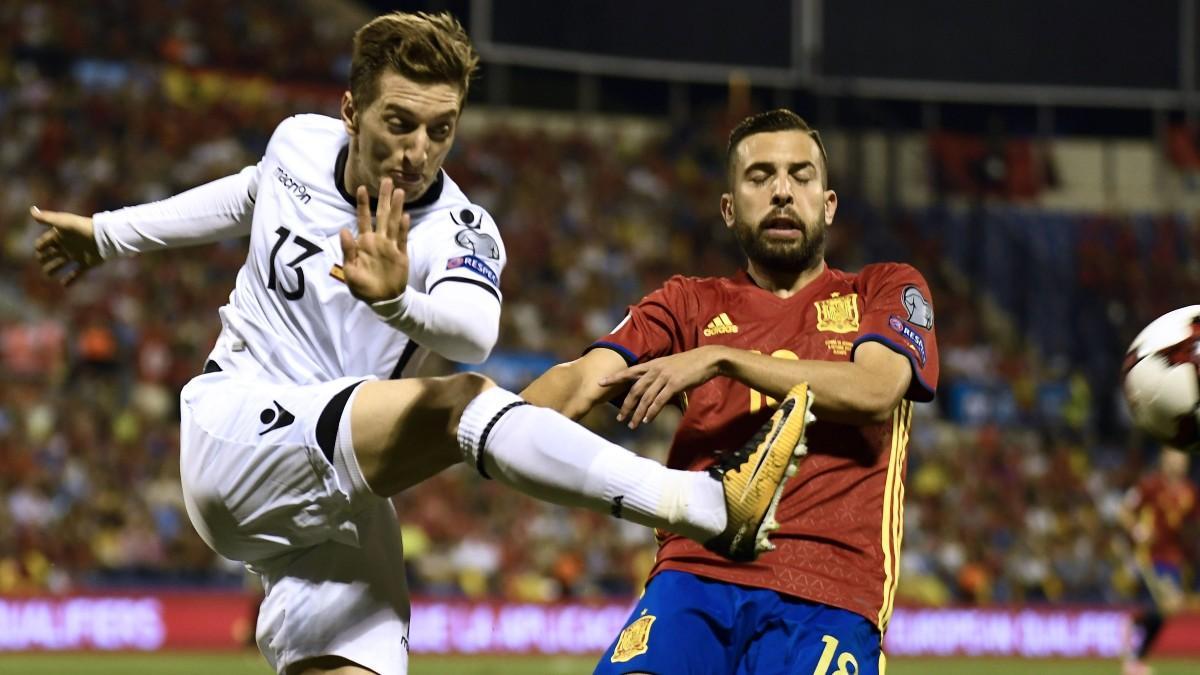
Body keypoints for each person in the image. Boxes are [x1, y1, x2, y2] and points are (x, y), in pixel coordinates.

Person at [30, 13, 809, 675]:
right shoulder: (296, 144)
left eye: (442, 129)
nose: (419, 149)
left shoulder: (460, 229)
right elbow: (246, 191)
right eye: (398, 123)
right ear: (350, 110)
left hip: (340, 499)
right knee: (463, 406)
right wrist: (106, 234)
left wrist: (399, 299)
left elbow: (475, 330)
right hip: (236, 429)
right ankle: (703, 503)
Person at [521, 109, 940, 675]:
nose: (783, 193)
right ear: (729, 208)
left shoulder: (885, 289)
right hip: (693, 578)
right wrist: (483, 423)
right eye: (760, 177)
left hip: (829, 593)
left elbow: (874, 390)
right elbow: (578, 380)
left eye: (801, 176)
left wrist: (721, 359)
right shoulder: (686, 304)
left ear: (829, 203)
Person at [1119, 447, 1197, 675]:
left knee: (1167, 611)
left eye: (1182, 459)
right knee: (1168, 605)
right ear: (1164, 461)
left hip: (1175, 558)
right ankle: (1133, 638)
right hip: (1151, 555)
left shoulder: (1189, 491)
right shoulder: (1150, 485)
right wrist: (1136, 530)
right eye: (1174, 458)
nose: (1179, 463)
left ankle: (1135, 644)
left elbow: (1190, 525)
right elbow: (1125, 510)